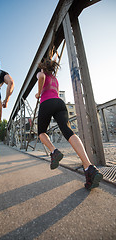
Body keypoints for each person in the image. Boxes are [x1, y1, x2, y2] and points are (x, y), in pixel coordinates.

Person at [35, 58, 103, 190]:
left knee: (41, 132)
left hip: (46, 103)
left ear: (42, 67)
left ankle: (54, 151)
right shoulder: (55, 78)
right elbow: (54, 90)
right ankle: (89, 167)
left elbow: (41, 77)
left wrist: (38, 93)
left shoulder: (41, 72)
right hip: (59, 103)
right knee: (68, 131)